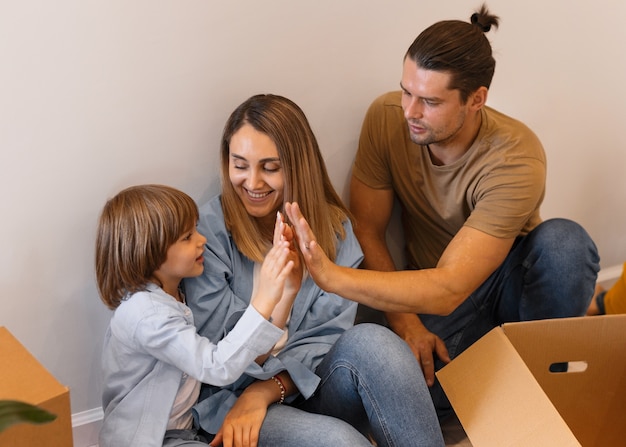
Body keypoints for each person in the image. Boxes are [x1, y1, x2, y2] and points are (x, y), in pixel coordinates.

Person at [284, 4, 600, 420]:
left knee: (565, 243)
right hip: (434, 295)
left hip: (505, 285)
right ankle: (499, 375)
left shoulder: (516, 156)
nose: (410, 111)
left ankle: (543, 374)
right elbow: (367, 229)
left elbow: (452, 285)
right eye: (406, 91)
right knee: (412, 390)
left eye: (430, 101)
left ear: (476, 100)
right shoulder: (387, 117)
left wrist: (333, 276)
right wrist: (407, 323)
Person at [183, 94, 444, 447]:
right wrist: (277, 301)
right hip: (233, 401)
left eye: (270, 167)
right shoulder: (206, 238)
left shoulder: (335, 232)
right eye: (240, 164)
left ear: (297, 166)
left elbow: (326, 341)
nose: (253, 182)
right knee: (344, 443)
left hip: (307, 386)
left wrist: (268, 389)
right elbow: (222, 359)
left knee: (378, 341)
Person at [95, 184, 295, 447]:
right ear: (150, 251)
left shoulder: (173, 295)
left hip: (184, 432)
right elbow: (216, 366)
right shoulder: (147, 315)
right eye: (187, 237)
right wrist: (264, 300)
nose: (203, 240)